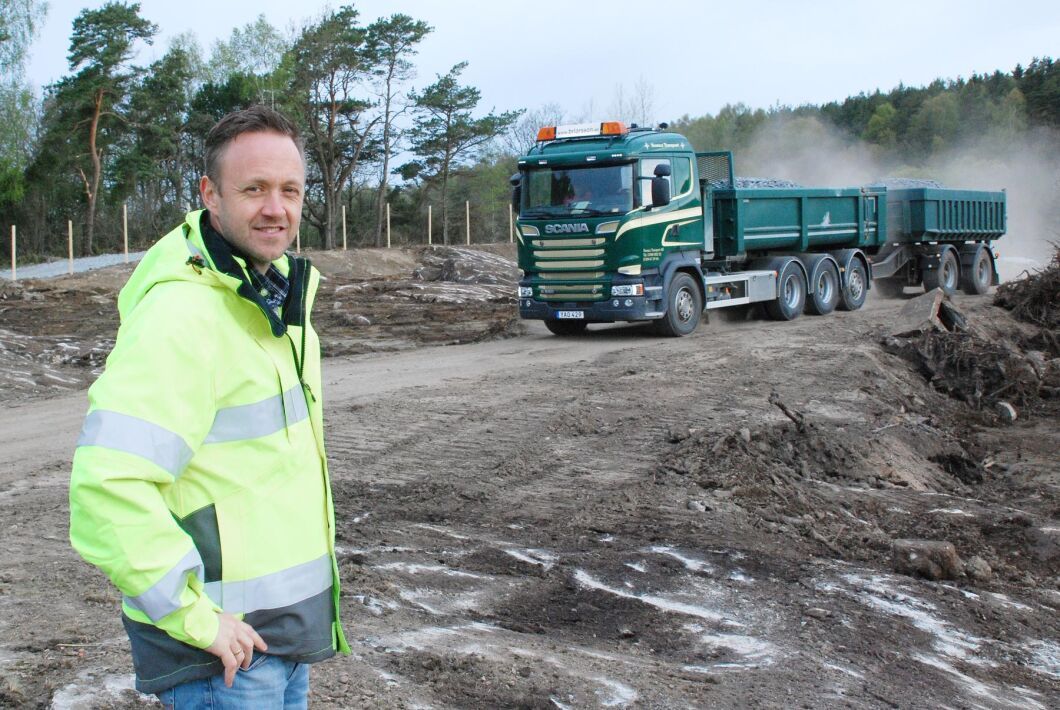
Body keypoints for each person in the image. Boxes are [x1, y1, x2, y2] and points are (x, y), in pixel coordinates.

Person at [69, 106, 349, 708]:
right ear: (210, 194)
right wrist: (196, 619)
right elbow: (106, 487)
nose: (276, 208)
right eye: (254, 189)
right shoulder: (182, 316)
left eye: (290, 190)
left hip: (280, 642)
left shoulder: (273, 300)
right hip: (223, 660)